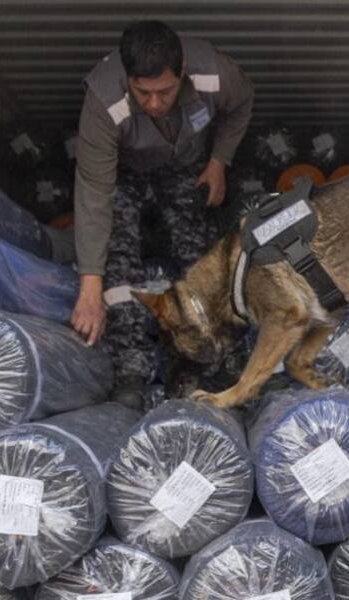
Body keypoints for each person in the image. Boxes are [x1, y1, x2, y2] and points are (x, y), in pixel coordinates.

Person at [69, 21, 254, 404]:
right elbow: (94, 194)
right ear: (128, 79)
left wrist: (220, 160)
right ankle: (132, 372)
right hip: (125, 174)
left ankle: (223, 362)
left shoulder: (216, 75)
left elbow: (241, 106)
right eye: (143, 92)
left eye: (164, 92)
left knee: (201, 259)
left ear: (182, 70)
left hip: (185, 167)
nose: (154, 103)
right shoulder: (104, 101)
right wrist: (89, 287)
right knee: (117, 262)